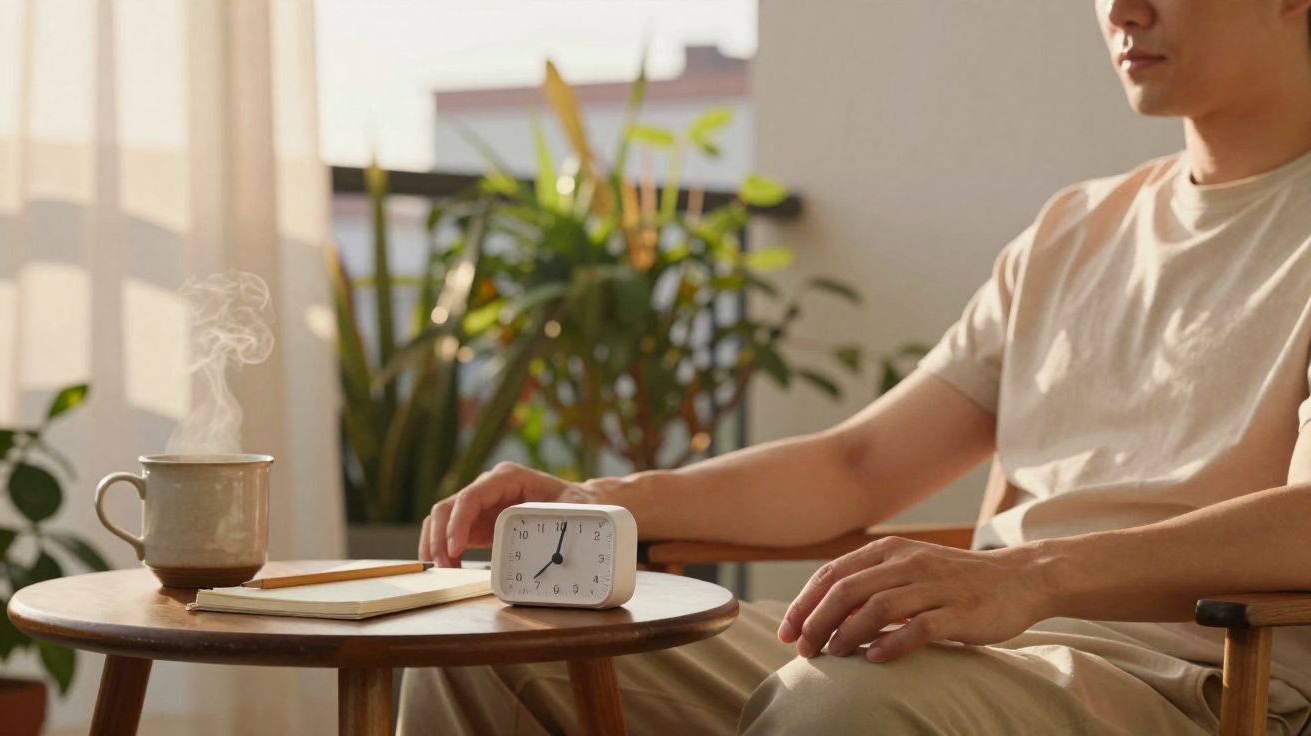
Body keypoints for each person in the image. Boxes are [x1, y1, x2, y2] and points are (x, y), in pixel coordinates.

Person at [400, 0, 1311, 732]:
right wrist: (606, 501)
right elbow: (859, 463)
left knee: (842, 705)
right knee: (488, 648)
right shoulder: (1075, 230)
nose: (1120, 9)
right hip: (973, 650)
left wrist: (1027, 578)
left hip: (1187, 681)